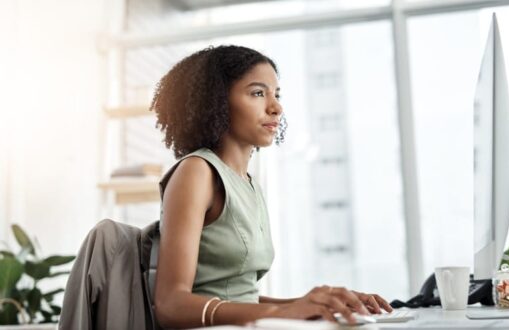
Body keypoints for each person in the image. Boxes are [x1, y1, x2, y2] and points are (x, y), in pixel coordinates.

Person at [150, 45, 392, 329]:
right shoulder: (197, 172)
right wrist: (281, 314)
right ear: (215, 101)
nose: (275, 106)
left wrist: (313, 303)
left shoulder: (249, 184)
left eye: (276, 94)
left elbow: (239, 297)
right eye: (257, 93)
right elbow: (171, 305)